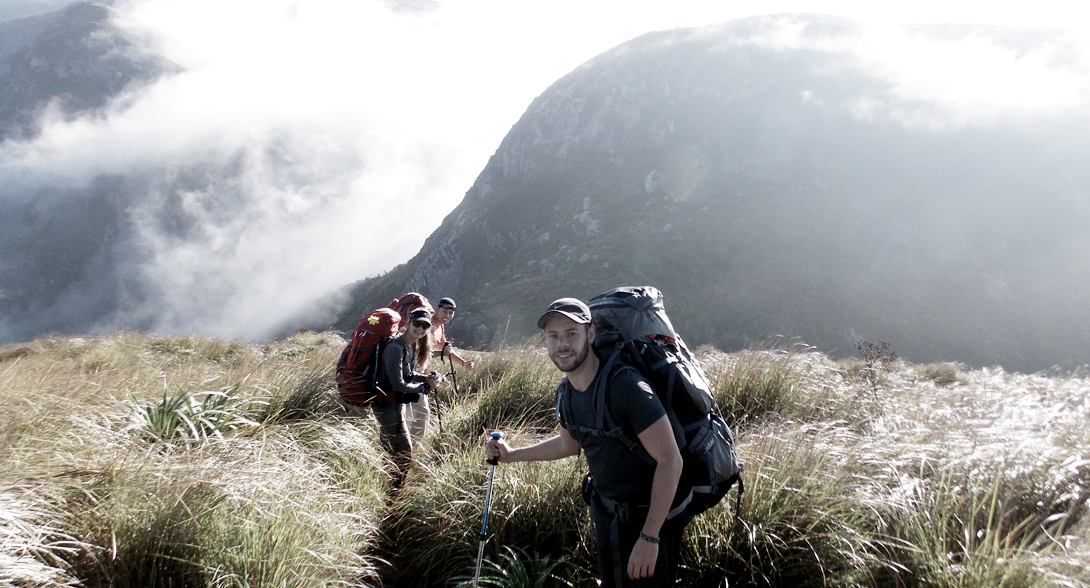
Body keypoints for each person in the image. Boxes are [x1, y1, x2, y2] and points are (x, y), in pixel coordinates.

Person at [486, 298, 685, 587]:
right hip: (606, 514)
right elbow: (569, 445)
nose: (561, 344)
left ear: (590, 335)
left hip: (647, 519)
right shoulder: (566, 393)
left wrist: (649, 536)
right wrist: (511, 455)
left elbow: (671, 460)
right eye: (553, 336)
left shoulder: (626, 388)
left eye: (571, 334)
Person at [376, 307, 441, 487]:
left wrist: (427, 378)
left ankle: (384, 482)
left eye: (425, 326)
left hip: (394, 403)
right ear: (408, 323)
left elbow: (409, 374)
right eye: (417, 324)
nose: (420, 329)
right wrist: (424, 387)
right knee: (405, 451)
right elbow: (398, 384)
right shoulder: (396, 348)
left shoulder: (409, 345)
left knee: (389, 447)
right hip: (386, 404)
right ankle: (395, 492)